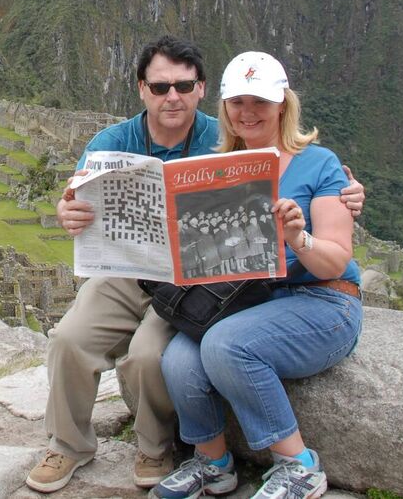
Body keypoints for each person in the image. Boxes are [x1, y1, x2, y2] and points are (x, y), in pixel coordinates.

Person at [26, 38, 365, 494]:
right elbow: (74, 197)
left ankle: (163, 449)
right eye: (161, 86)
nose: (173, 96)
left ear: (201, 90)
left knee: (155, 353)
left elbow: (333, 245)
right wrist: (68, 212)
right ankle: (77, 446)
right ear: (142, 89)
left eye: (183, 85)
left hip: (218, 285)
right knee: (75, 338)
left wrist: (321, 218)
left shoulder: (261, 152)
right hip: (139, 271)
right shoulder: (128, 144)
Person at [150, 51, 363, 499]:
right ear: (225, 108)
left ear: (283, 103)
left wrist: (297, 238)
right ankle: (213, 463)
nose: (248, 113)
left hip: (323, 301)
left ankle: (299, 466)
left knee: (226, 345)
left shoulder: (319, 164)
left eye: (260, 102)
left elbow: (336, 261)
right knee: (178, 357)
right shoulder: (218, 169)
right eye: (238, 102)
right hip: (249, 300)